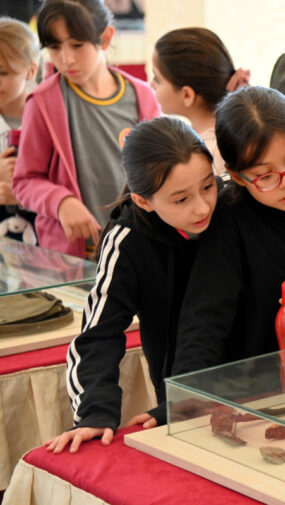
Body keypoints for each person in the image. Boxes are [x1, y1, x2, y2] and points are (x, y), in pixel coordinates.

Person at [45, 116, 218, 454]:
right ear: (143, 201)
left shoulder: (229, 210)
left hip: (254, 383)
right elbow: (98, 334)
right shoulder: (127, 242)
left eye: (209, 186)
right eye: (181, 199)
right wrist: (94, 412)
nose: (202, 206)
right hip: (179, 400)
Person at [171, 86, 285, 380]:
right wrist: (181, 403)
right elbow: (204, 321)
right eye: (266, 176)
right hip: (254, 386)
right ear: (237, 176)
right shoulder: (230, 217)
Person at [11, 0, 161, 258]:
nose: (66, 59)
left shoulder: (142, 96)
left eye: (77, 45)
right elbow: (25, 181)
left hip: (137, 249)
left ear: (105, 38)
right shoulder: (43, 102)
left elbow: (161, 172)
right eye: (54, 47)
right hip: (71, 260)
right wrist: (61, 202)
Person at [151, 27, 250, 176]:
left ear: (187, 95)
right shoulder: (216, 137)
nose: (151, 84)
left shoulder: (210, 154)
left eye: (157, 79)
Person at [0, 17, 39, 241]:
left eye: (3, 73)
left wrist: (26, 194)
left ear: (30, 70)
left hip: (42, 243)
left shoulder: (49, 119)